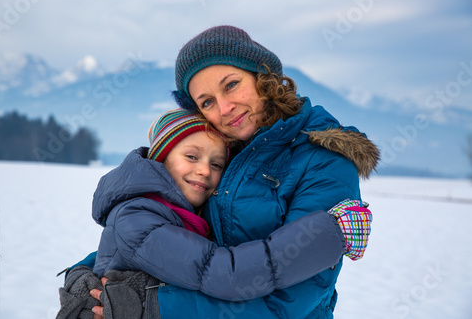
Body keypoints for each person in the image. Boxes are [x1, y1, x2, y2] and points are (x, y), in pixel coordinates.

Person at [59, 25, 379, 319]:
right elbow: (162, 234)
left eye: (232, 85)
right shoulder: (221, 154)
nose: (225, 109)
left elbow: (288, 303)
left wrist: (152, 307)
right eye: (207, 101)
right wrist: (84, 274)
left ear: (261, 76)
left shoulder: (324, 160)